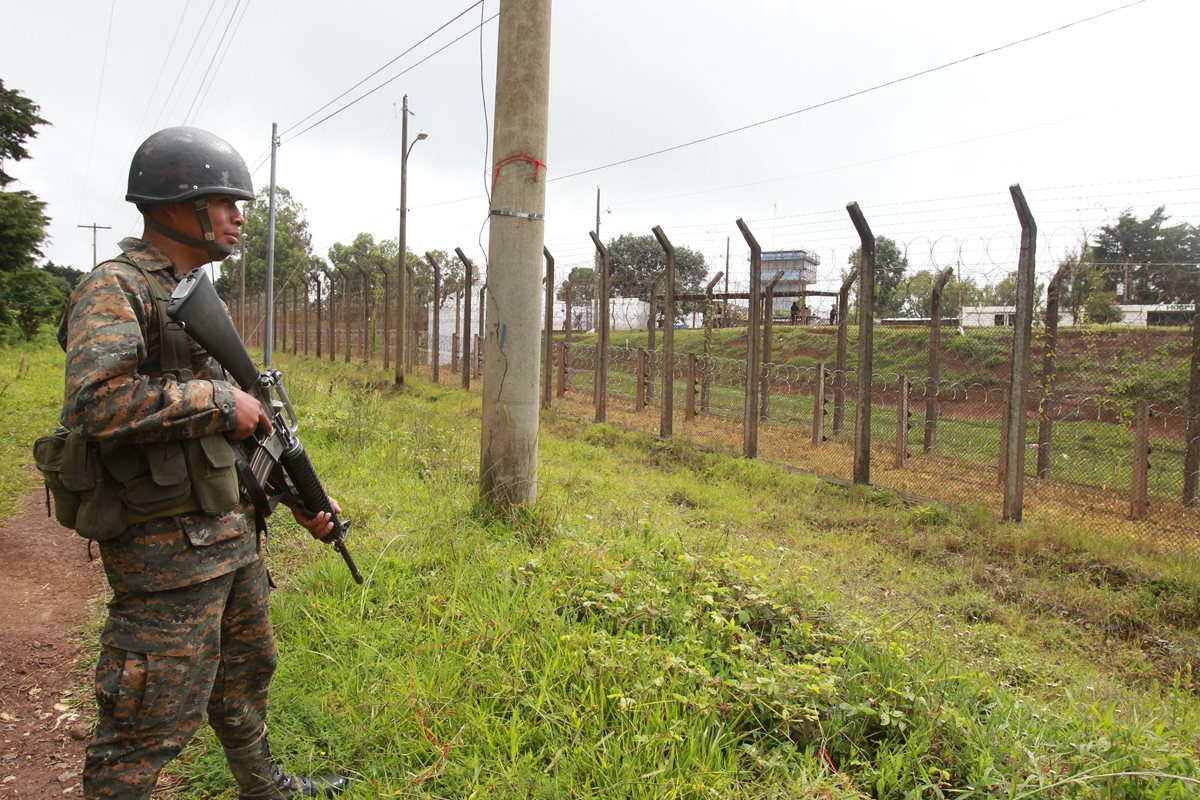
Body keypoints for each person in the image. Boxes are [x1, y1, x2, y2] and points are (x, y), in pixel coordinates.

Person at [57, 127, 349, 799]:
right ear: (170, 205)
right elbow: (95, 405)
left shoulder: (192, 294)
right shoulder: (115, 289)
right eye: (222, 200)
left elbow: (239, 434)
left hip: (228, 532)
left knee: (245, 675)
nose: (239, 216)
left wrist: (299, 500)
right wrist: (220, 400)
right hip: (166, 551)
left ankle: (263, 787)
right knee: (150, 709)